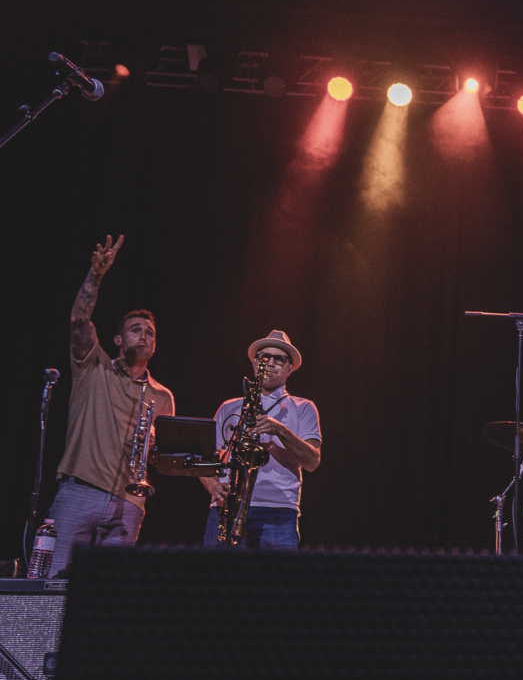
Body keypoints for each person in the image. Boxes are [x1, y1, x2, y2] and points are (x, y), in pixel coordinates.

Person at [45, 234, 175, 577]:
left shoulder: (162, 396)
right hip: (80, 492)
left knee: (105, 596)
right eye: (135, 330)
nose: (143, 336)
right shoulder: (94, 365)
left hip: (129, 502)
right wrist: (96, 275)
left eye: (149, 332)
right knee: (51, 586)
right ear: (118, 340)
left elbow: (163, 455)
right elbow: (78, 321)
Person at [201, 331, 321, 549]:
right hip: (226, 507)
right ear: (255, 363)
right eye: (264, 357)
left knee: (275, 581)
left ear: (289, 368)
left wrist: (280, 430)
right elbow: (207, 455)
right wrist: (212, 485)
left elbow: (312, 461)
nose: (270, 363)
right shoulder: (229, 407)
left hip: (279, 510)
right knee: (215, 580)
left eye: (279, 359)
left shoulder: (304, 407)